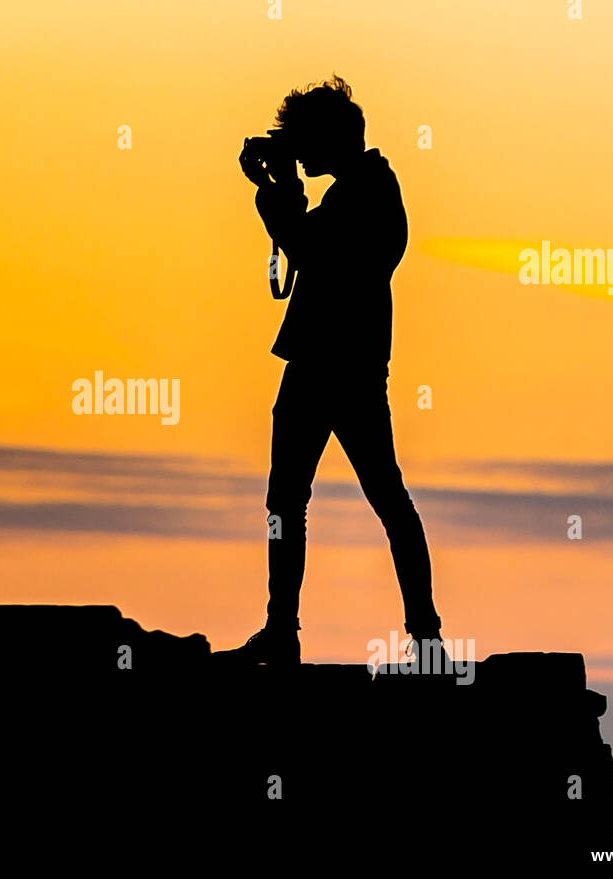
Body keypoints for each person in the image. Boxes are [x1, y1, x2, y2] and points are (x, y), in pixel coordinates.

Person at [225, 75, 443, 667]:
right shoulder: (357, 189)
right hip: (329, 363)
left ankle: (423, 637)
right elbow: (309, 246)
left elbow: (311, 250)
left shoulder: (367, 193)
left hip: (339, 367)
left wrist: (274, 194)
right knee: (292, 502)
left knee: (379, 499)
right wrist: (281, 191)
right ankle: (285, 630)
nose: (300, 152)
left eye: (305, 140)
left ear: (335, 137)